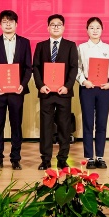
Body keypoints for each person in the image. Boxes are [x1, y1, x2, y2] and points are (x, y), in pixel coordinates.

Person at [0, 10, 32, 171]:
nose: (8, 24)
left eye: (10, 22)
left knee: (16, 125)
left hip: (17, 91)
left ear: (16, 24)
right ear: (0, 25)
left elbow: (28, 67)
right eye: (4, 22)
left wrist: (23, 85)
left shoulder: (24, 42)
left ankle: (15, 158)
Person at [32, 14, 78, 170]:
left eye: (59, 25)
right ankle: (45, 159)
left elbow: (74, 68)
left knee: (64, 127)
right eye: (53, 24)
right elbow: (36, 67)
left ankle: (62, 159)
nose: (56, 27)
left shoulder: (70, 45)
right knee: (46, 128)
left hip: (63, 92)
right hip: (46, 92)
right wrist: (40, 85)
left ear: (63, 27)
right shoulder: (41, 46)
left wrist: (67, 86)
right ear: (48, 28)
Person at [76, 17, 109, 169]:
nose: (95, 30)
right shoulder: (81, 48)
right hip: (87, 88)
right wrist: (83, 81)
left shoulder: (108, 48)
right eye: (91, 28)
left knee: (101, 122)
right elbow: (77, 68)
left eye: (97, 28)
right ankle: (89, 157)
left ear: (102, 30)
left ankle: (100, 156)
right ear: (87, 30)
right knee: (88, 123)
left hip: (104, 89)